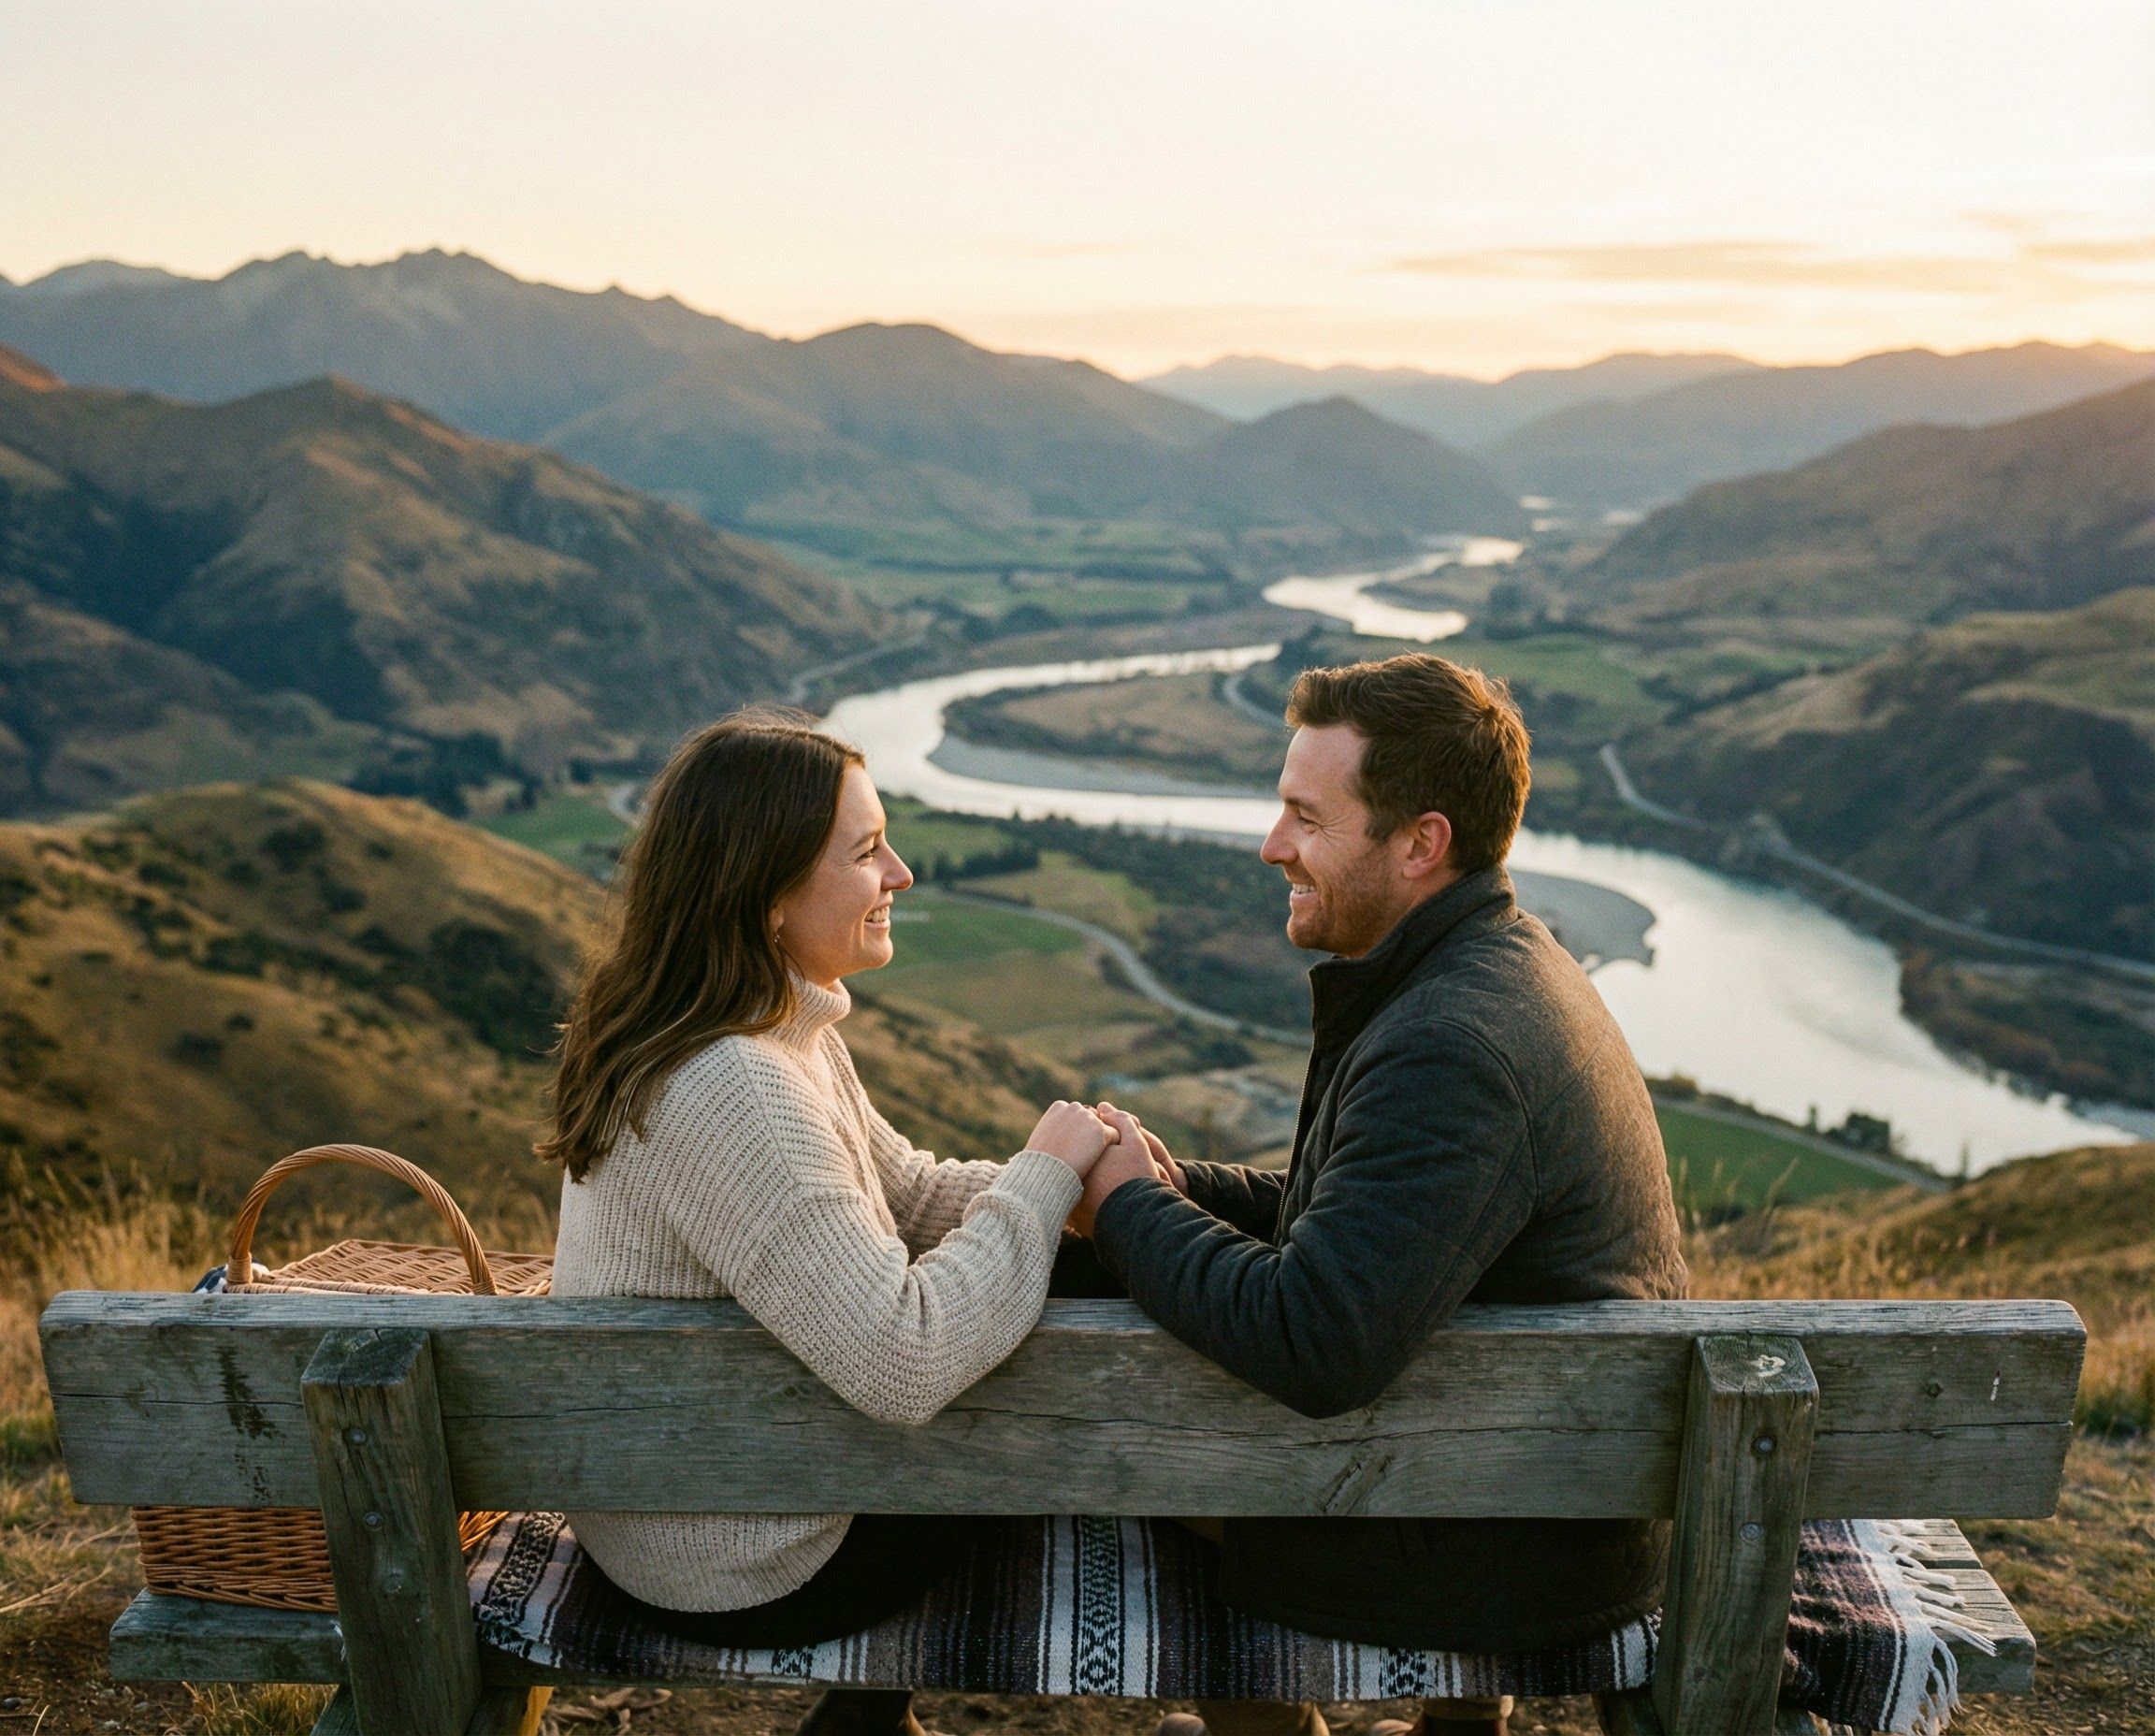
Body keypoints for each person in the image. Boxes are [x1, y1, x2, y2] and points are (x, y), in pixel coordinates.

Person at [1074, 654, 1688, 1736]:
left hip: (1515, 1547)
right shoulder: (1499, 961)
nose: (1274, 846)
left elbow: (1316, 1337)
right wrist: (1179, 1187)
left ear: (1421, 842)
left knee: (1130, 1425)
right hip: (1546, 1488)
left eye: (1306, 818)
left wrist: (1128, 1210)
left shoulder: (1451, 1044)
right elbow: (1363, 1215)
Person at [542, 706, 1117, 1736]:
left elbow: (911, 1192)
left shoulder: (768, 1031)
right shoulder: (736, 1084)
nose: (899, 872)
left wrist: (1078, 1190)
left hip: (696, 1505)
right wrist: (1041, 1184)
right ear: (764, 894)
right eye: (866, 850)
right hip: (736, 1560)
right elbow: (908, 1357)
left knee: (1049, 1271)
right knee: (1061, 1356)